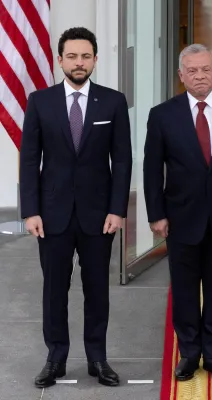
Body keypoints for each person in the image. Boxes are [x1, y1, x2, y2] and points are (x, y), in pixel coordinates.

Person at [20, 27, 132, 388]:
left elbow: (122, 160)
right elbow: (30, 159)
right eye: (72, 56)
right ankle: (56, 358)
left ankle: (98, 358)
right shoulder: (40, 101)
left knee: (97, 289)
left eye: (85, 56)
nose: (79, 62)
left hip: (99, 215)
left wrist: (117, 209)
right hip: (51, 214)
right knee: (54, 289)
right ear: (60, 60)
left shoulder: (113, 102)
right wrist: (30, 211)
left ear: (95, 59)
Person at [143, 44, 212, 382]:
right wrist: (156, 214)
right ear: (181, 75)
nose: (200, 76)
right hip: (181, 217)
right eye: (192, 71)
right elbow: (152, 170)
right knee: (184, 289)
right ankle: (190, 354)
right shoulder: (162, 115)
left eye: (206, 69)